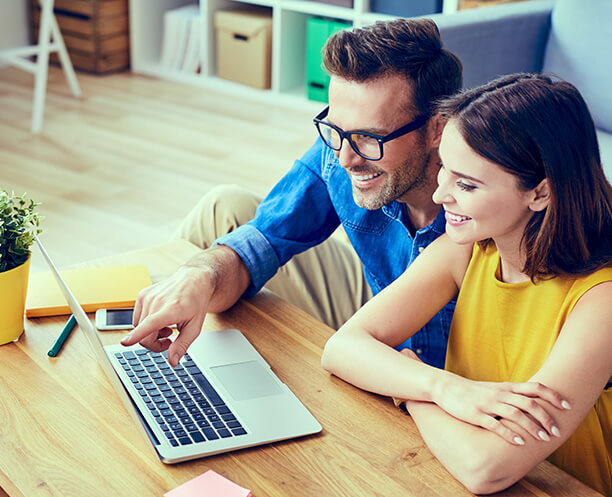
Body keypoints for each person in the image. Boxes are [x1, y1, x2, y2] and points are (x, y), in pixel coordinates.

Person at [321, 73, 612, 496]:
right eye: (445, 171)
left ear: (541, 192)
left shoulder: (600, 301)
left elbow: (485, 468)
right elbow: (342, 348)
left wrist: (414, 386)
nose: (440, 196)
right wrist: (443, 387)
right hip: (449, 468)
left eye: (466, 184)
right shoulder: (470, 248)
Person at [121, 18, 463, 369]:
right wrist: (200, 276)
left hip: (454, 366)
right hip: (375, 301)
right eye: (335, 130)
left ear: (437, 128)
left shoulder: (487, 196)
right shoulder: (340, 151)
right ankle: (167, 350)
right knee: (226, 207)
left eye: (369, 138)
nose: (346, 159)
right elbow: (265, 237)